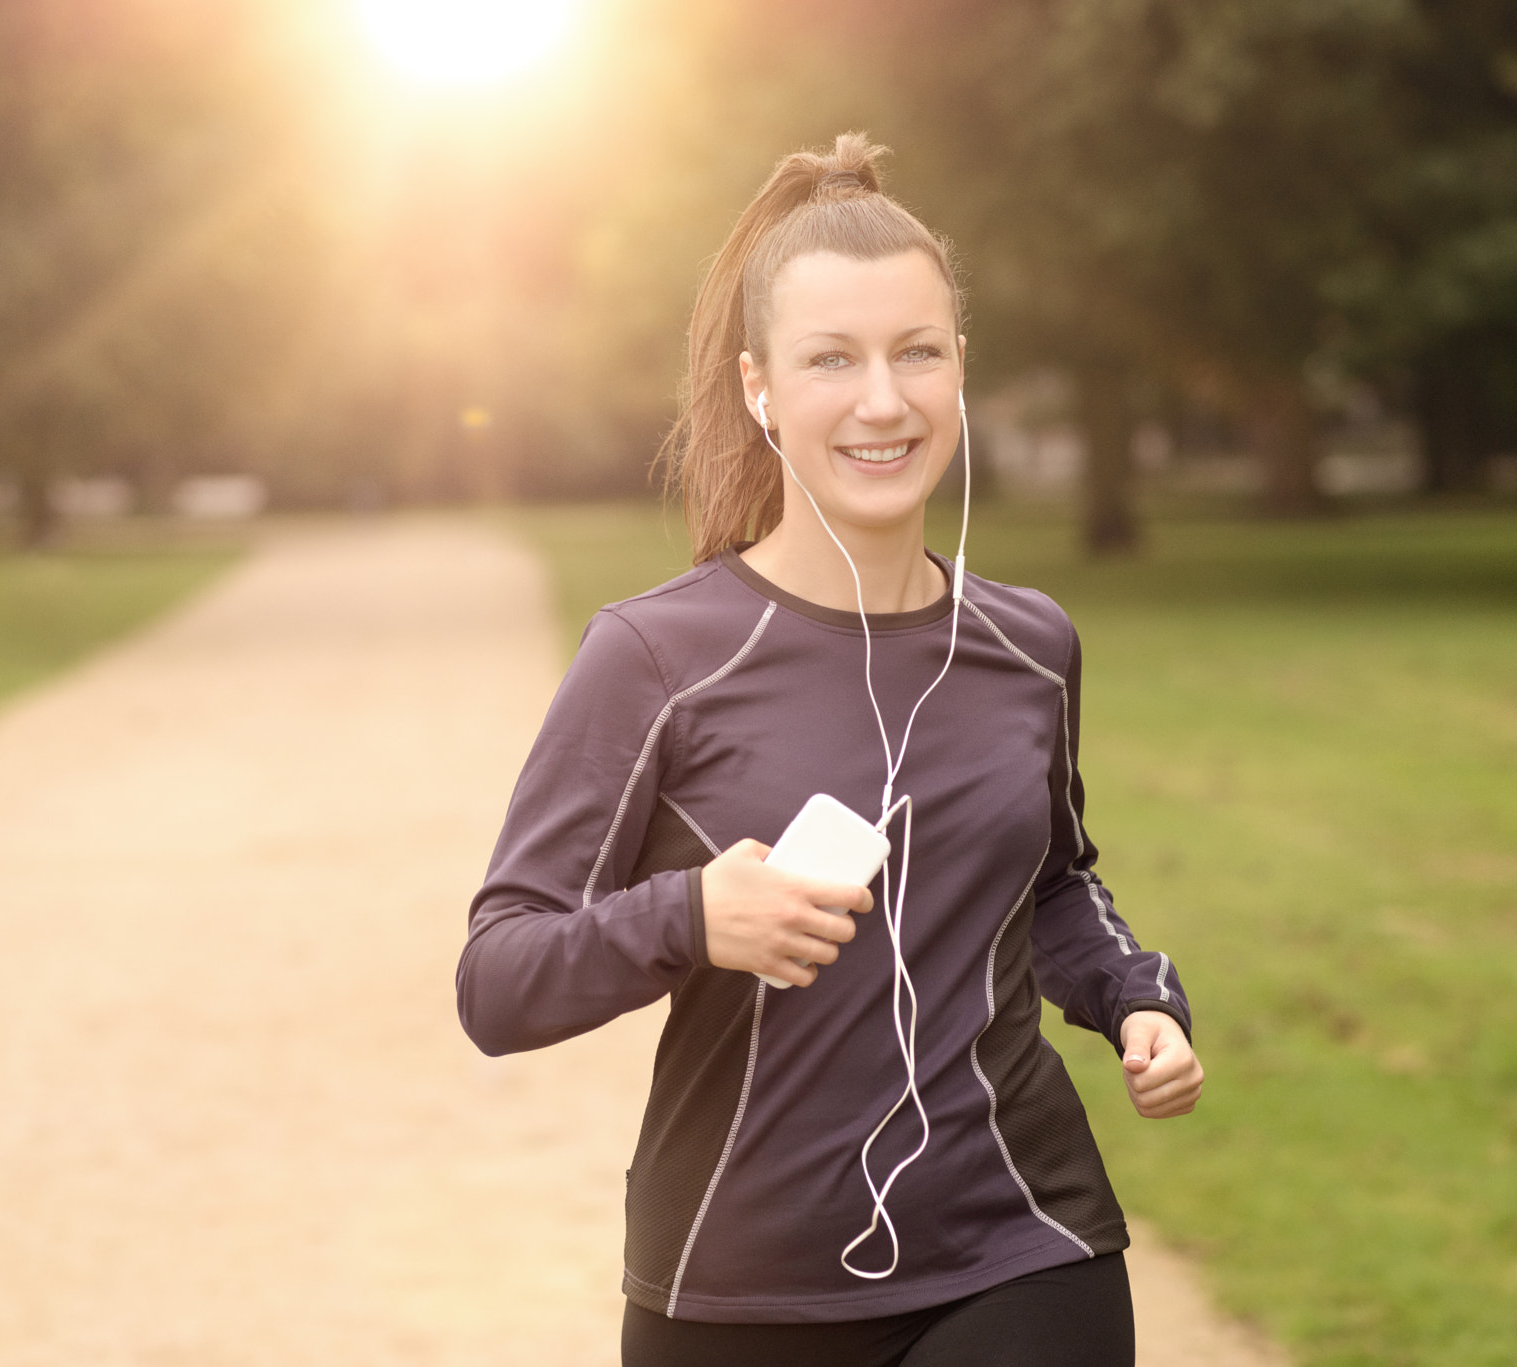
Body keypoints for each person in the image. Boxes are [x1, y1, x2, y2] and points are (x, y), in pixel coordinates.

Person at [456, 134, 1204, 1367]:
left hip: (1022, 1243)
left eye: (917, 352)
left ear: (960, 370)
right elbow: (497, 977)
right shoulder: (652, 658)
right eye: (830, 360)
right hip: (736, 1284)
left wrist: (1135, 998)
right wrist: (691, 914)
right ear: (758, 388)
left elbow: (1056, 880)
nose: (880, 400)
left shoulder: (1029, 644)